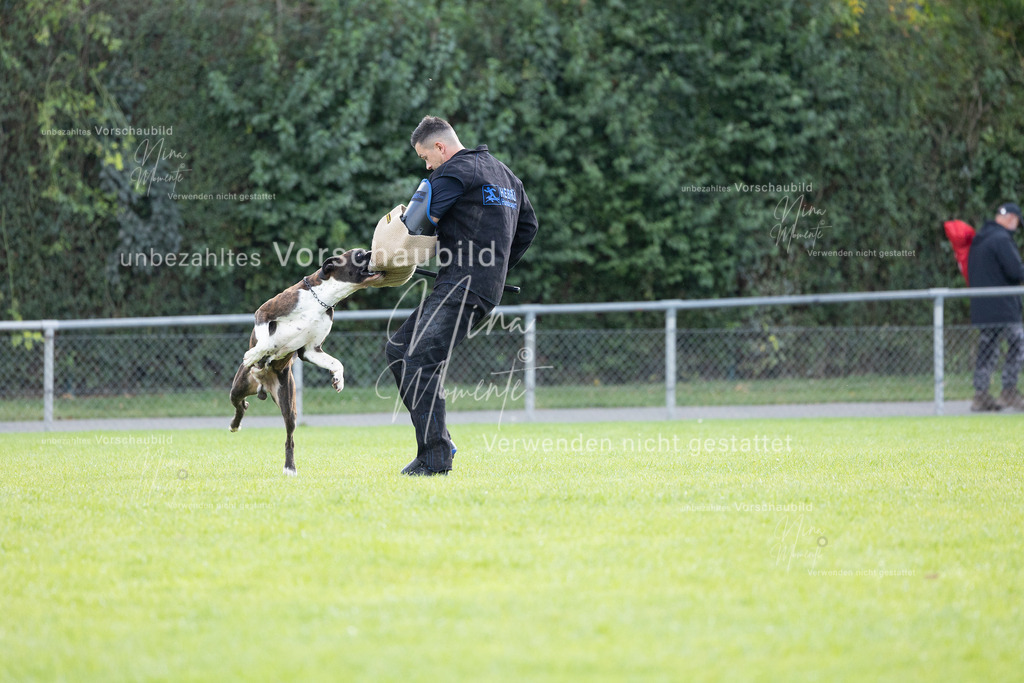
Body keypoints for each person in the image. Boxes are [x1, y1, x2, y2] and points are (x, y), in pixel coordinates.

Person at [385, 116, 538, 475]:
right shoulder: (505, 175)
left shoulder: (452, 173)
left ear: (440, 147)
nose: (427, 166)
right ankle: (440, 441)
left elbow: (415, 226)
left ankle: (435, 458)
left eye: (426, 157)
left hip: (462, 285)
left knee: (419, 359)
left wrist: (385, 261)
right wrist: (496, 267)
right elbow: (529, 227)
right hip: (477, 286)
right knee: (399, 350)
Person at [967, 201, 1024, 411]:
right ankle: (1008, 391)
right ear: (1011, 219)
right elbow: (1016, 272)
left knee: (987, 349)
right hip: (1004, 306)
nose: (1016, 228)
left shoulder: (979, 240)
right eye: (1017, 223)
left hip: (982, 306)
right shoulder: (1002, 239)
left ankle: (980, 395)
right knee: (1018, 345)